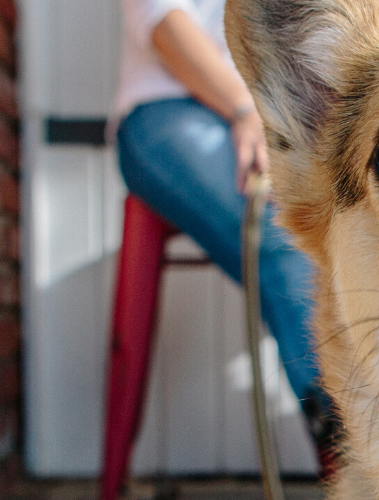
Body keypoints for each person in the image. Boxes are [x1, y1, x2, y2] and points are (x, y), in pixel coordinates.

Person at [113, 0, 329, 453]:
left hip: (276, 118)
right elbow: (164, 23)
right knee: (285, 230)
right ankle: (344, 441)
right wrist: (245, 110)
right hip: (170, 108)